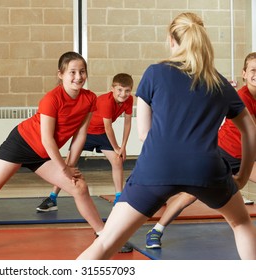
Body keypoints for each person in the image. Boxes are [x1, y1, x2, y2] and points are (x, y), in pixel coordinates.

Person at [77, 13, 256, 260]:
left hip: (157, 166)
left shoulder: (154, 73)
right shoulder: (219, 82)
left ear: (172, 40)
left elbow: (143, 134)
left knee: (106, 242)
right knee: (241, 224)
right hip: (205, 168)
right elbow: (250, 130)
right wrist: (243, 176)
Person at [0, 51, 108, 260]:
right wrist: (64, 168)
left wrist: (70, 167)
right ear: (60, 74)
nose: (78, 77)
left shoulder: (89, 99)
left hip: (43, 154)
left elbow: (81, 134)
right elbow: (47, 139)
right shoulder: (51, 99)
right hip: (21, 144)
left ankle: (103, 236)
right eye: (72, 72)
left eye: (82, 72)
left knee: (79, 186)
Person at [145, 52, 256, 249]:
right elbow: (251, 128)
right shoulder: (242, 96)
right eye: (253, 70)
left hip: (246, 156)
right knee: (190, 194)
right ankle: (157, 229)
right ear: (244, 74)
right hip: (223, 152)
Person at [36, 73, 134, 212]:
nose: (123, 94)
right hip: (86, 132)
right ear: (112, 88)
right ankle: (52, 198)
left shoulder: (129, 100)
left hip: (102, 134)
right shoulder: (106, 101)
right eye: (119, 90)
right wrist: (117, 147)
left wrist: (123, 147)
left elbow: (127, 123)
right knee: (69, 163)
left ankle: (119, 198)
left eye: (127, 91)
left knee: (117, 161)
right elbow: (108, 127)